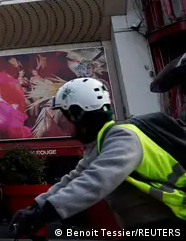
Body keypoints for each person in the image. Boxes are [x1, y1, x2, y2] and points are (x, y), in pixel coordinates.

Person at [10, 69, 186, 237]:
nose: (62, 123)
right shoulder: (102, 142)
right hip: (150, 225)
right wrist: (36, 206)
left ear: (78, 116)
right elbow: (75, 177)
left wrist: (46, 213)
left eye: (64, 116)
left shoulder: (123, 138)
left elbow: (95, 181)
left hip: (172, 222)